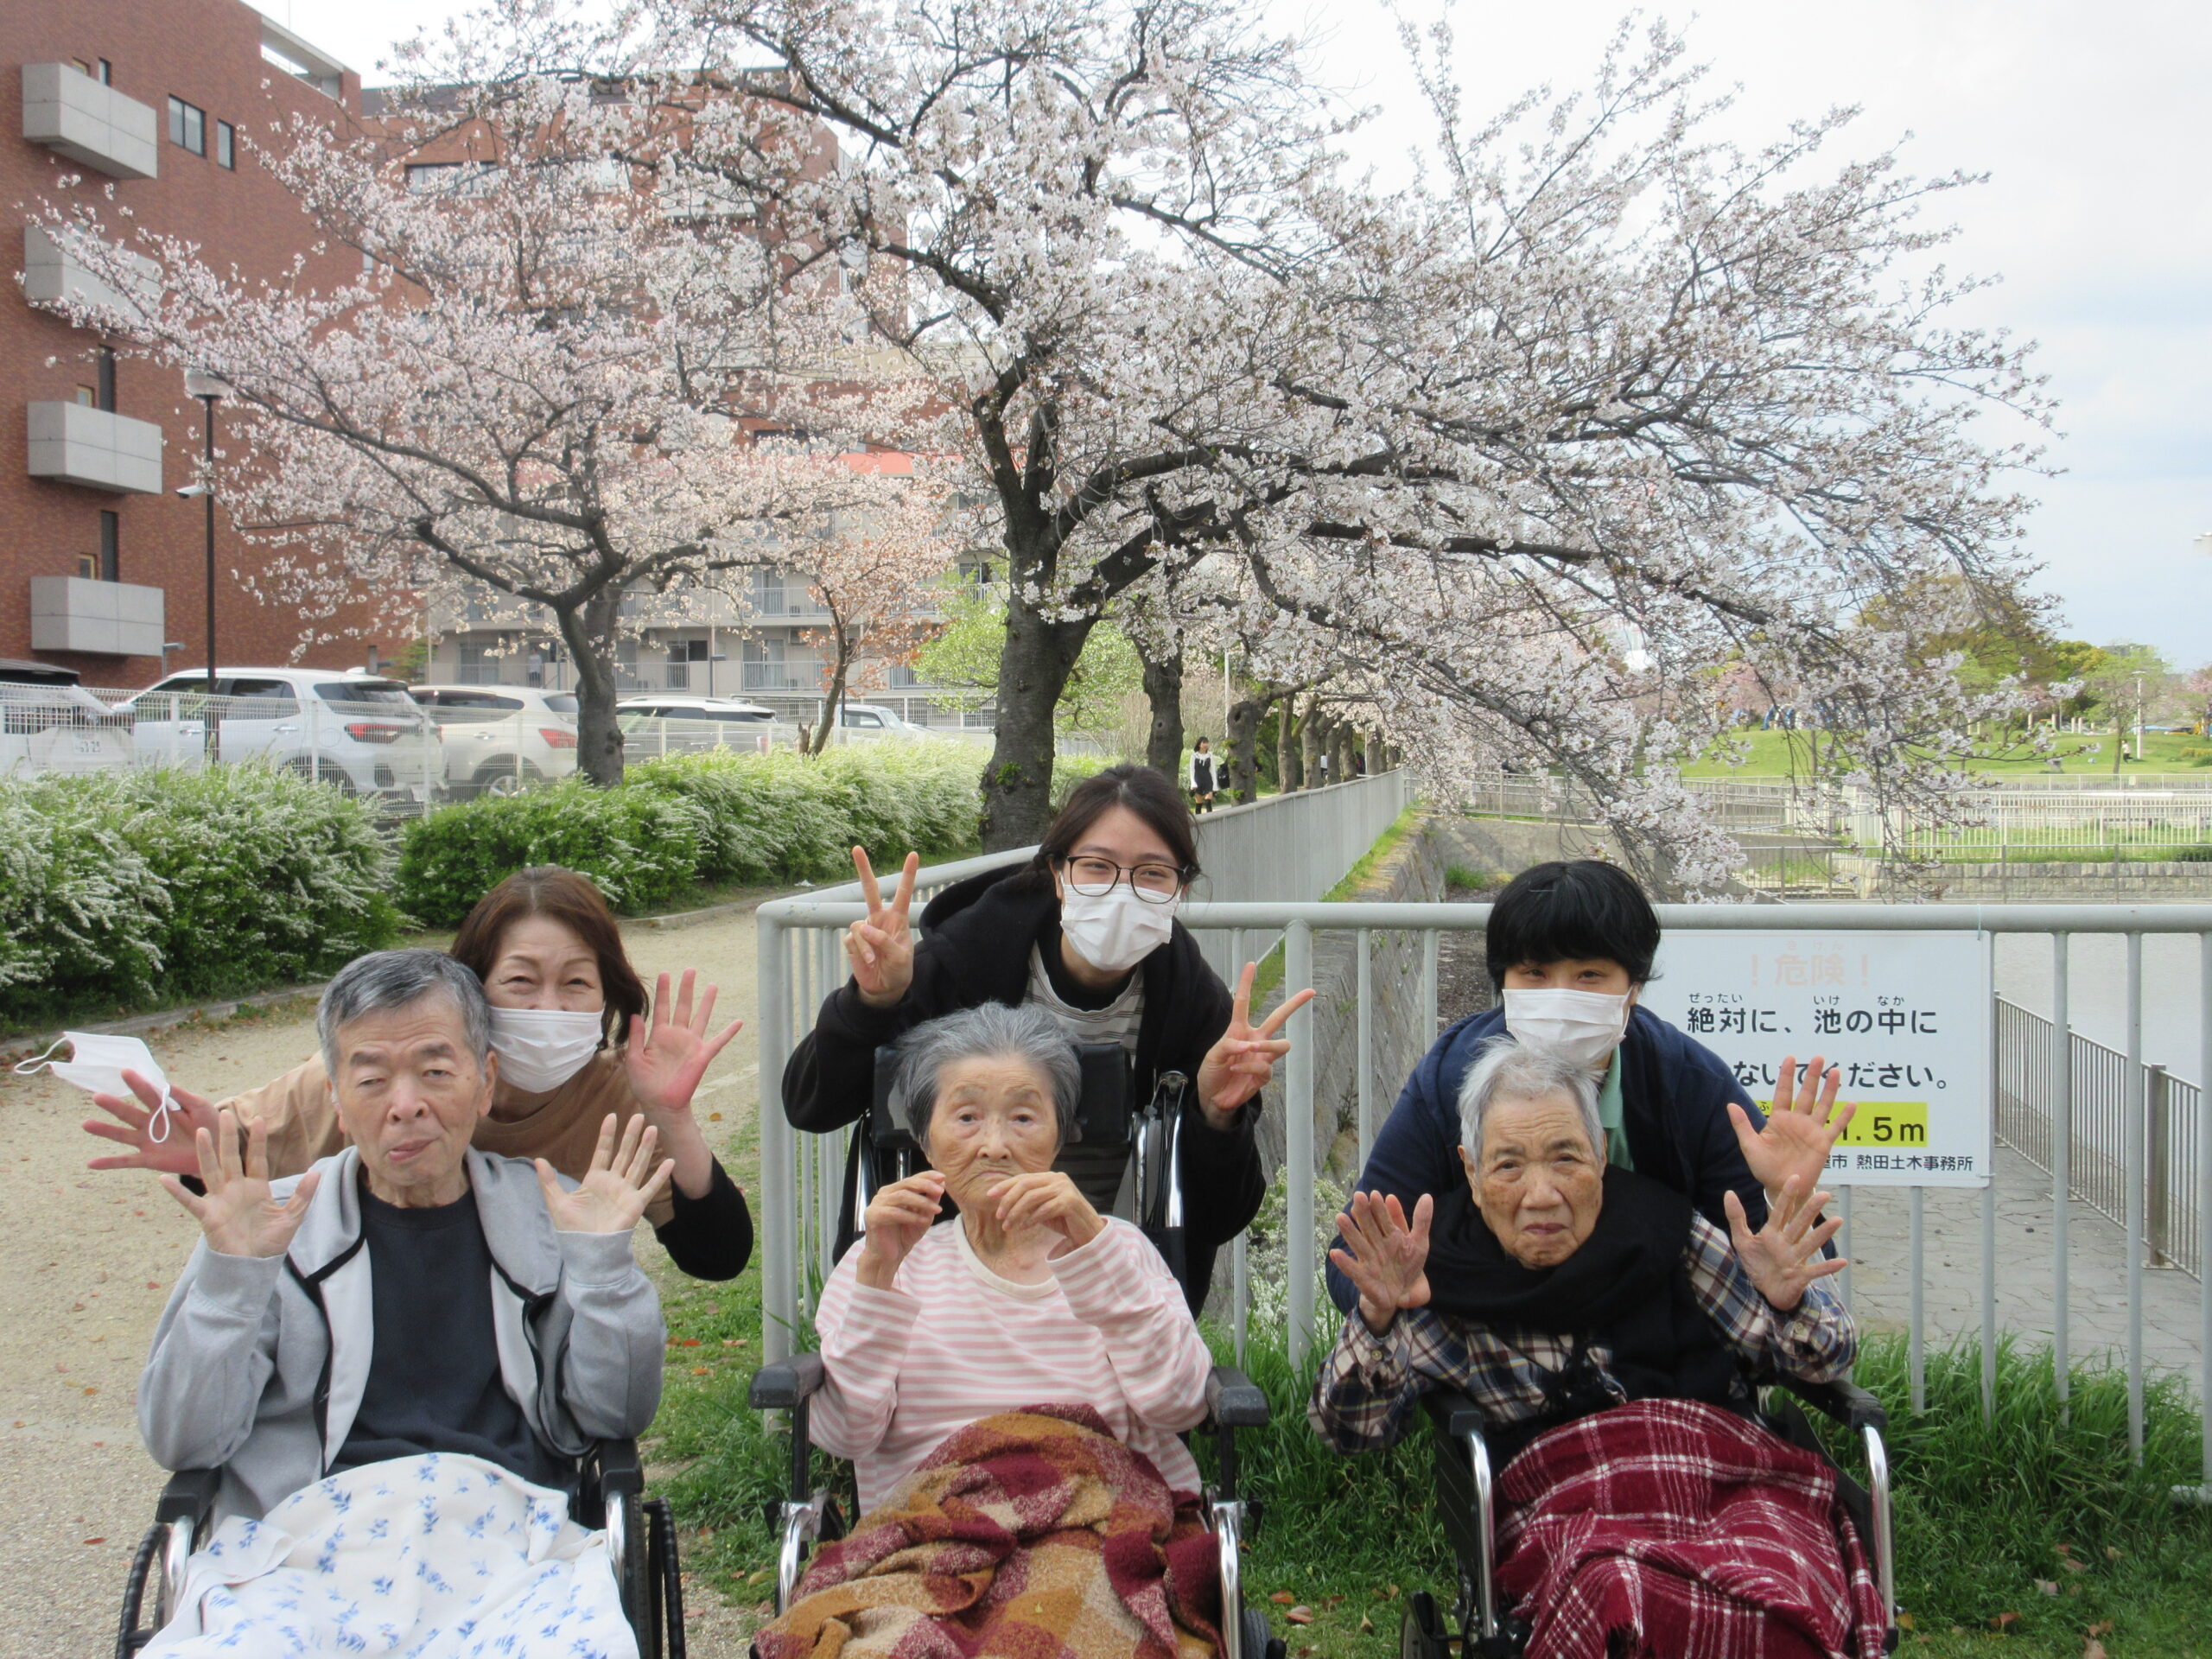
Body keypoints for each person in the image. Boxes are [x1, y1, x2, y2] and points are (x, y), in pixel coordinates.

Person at [137, 950, 668, 1654]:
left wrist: (603, 1271)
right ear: (336, 1098)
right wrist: (233, 1277)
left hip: (510, 1548)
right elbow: (182, 1440)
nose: (406, 1104)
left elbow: (616, 1413)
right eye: (371, 1079)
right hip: (302, 1551)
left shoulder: (553, 1216)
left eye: (436, 1072)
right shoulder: (267, 1227)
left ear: (485, 1083)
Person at [1313, 1040, 1884, 1659]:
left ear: (1602, 1154)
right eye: (1508, 1166)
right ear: (1471, 1173)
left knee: (1780, 1577)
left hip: (1726, 1483)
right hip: (1567, 1514)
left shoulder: (1665, 1231)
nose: (1541, 1195)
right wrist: (1377, 1319)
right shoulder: (1442, 1274)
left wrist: (1788, 1303)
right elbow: (1348, 1430)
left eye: (1566, 1158)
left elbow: (1823, 1362)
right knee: (1618, 1587)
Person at [758, 1003, 1225, 1658]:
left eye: (1024, 1117)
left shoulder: (1116, 1249)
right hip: (926, 1538)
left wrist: (1093, 1247)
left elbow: (1178, 1405)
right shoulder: (885, 1264)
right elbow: (845, 1434)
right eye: (967, 1117)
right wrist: (879, 1277)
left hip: (1095, 1531)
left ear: (1060, 1137)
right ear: (926, 1141)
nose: (995, 1144)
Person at [784, 764, 1314, 1310]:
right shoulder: (963, 961)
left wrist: (1216, 1115)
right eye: (1096, 866)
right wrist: (873, 1002)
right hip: (942, 1286)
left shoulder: (1192, 1003)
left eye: (1153, 873)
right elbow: (811, 1105)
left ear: (1181, 888)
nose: (1122, 891)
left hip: (1105, 1289)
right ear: (1058, 874)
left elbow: (1221, 1217)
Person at [83, 865, 752, 1281]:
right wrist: (205, 1154)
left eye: (576, 983)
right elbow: (238, 1157)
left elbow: (717, 1258)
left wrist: (672, 1118)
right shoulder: (378, 1080)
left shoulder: (620, 1100)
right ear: (471, 987)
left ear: (608, 996)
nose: (547, 1008)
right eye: (520, 982)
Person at [1327, 858, 1853, 1320]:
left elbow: (1773, 1268)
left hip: (1656, 1347)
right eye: (1535, 973)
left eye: (1589, 975)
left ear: (1634, 989)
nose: (1560, 997)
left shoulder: (1689, 1084)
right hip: (1492, 1343)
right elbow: (1357, 1258)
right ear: (1503, 983)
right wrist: (1381, 1298)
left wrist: (1781, 1194)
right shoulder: (1449, 1079)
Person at [1188, 736, 1220, 812]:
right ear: (1199, 744)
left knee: (1208, 801)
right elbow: (1192, 770)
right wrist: (1193, 783)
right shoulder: (1194, 756)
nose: (1206, 745)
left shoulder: (1210, 756)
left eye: (1207, 743)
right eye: (1204, 743)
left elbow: (1213, 770)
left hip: (1208, 780)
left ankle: (1211, 819)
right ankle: (1198, 819)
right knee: (1199, 804)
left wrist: (1215, 785)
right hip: (1197, 780)